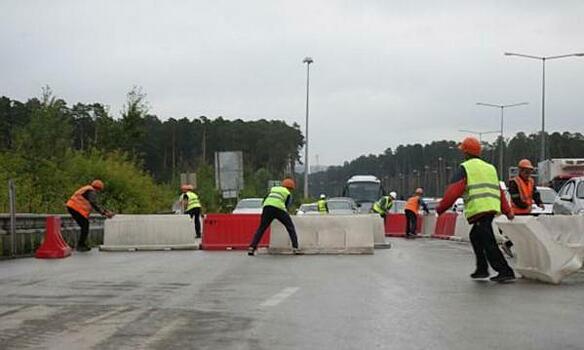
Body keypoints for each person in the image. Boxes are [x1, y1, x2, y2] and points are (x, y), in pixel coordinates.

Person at [436, 137, 516, 283]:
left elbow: (453, 191)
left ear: (466, 152)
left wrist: (441, 208)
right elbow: (500, 191)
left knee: (488, 241)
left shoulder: (465, 168)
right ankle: (482, 269)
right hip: (490, 209)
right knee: (476, 237)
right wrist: (507, 210)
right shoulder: (490, 168)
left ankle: (505, 271)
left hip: (479, 210)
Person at [248, 178, 301, 256]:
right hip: (279, 209)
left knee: (261, 228)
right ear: (290, 188)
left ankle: (252, 248)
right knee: (290, 227)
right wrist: (285, 216)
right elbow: (286, 205)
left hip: (267, 208)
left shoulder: (273, 189)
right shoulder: (287, 193)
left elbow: (265, 199)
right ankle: (295, 248)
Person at [66, 179, 114, 252]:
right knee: (85, 225)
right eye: (99, 190)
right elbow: (94, 203)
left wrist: (105, 211)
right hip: (75, 208)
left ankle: (82, 244)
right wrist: (104, 213)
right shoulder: (91, 191)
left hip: (72, 207)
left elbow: (93, 203)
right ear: (98, 188)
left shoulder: (87, 188)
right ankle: (81, 245)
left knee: (84, 225)